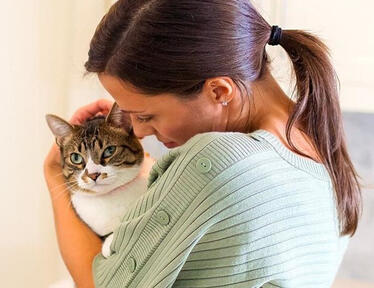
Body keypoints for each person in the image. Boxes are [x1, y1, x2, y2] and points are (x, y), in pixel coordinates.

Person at [43, 0, 363, 287]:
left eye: (147, 115)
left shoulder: (213, 159)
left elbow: (100, 284)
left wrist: (54, 170)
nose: (138, 132)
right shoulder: (323, 143)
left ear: (219, 91)